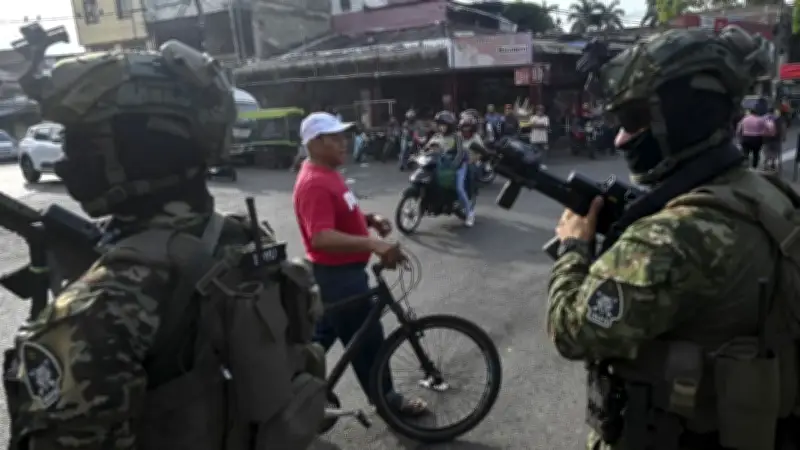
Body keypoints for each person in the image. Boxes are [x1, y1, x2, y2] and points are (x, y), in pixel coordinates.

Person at [5, 39, 326, 449]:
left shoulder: (96, 310)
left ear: (140, 148)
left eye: (81, 142)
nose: (67, 160)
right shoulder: (244, 238)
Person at [546, 25, 800, 450]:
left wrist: (574, 246)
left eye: (632, 119)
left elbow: (572, 331)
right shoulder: (765, 190)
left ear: (681, 116)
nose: (621, 137)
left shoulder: (673, 235)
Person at [293, 111, 430, 416]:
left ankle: (290, 394)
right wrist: (372, 243)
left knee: (316, 341)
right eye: (335, 138)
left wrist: (368, 219)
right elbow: (320, 236)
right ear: (314, 143)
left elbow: (340, 213)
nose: (345, 143)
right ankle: (387, 401)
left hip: (340, 275)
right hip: (338, 278)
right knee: (368, 343)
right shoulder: (315, 182)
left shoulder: (329, 171)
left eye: (345, 137)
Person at [425, 110, 476, 226]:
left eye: (444, 125)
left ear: (449, 126)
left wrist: (455, 165)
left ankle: (470, 214)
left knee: (459, 188)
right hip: (443, 165)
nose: (441, 128)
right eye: (440, 125)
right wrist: (417, 155)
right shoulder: (437, 136)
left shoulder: (456, 137)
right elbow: (426, 148)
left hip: (459, 166)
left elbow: (460, 154)